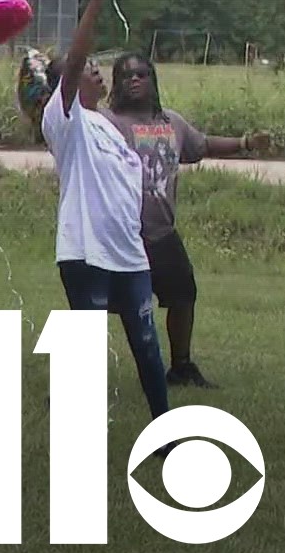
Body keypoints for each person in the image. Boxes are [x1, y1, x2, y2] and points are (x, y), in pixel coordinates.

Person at [43, 0, 170, 421]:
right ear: (65, 86)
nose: (98, 70)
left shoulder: (106, 127)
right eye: (88, 68)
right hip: (87, 255)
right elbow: (75, 59)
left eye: (98, 66)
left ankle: (165, 431)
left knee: (147, 346)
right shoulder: (64, 122)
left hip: (129, 255)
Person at [101, 52, 272, 390]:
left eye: (141, 74)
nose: (134, 80)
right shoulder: (106, 123)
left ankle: (181, 367)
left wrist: (246, 143)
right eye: (125, 76)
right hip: (119, 233)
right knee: (98, 305)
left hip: (162, 232)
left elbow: (202, 145)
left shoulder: (170, 122)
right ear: (116, 84)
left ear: (153, 81)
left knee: (182, 296)